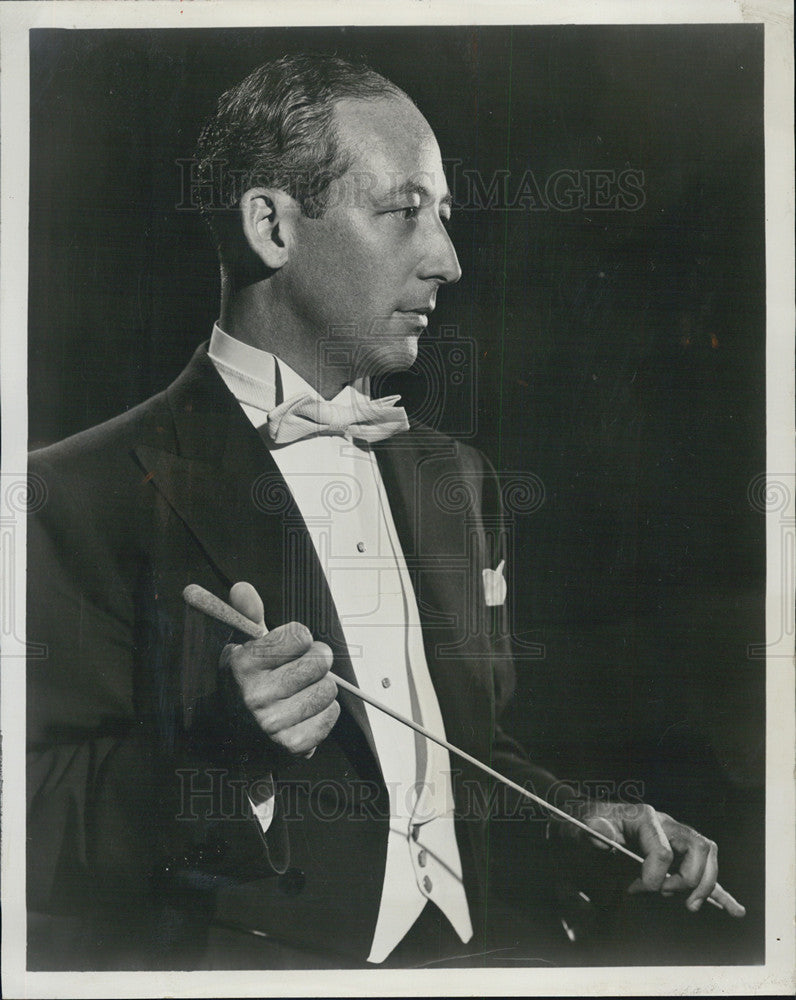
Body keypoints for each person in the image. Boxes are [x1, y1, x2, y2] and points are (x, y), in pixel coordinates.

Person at [26, 53, 744, 971]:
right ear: (272, 226)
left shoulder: (459, 479)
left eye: (442, 218)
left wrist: (582, 822)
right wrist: (225, 755)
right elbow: (31, 822)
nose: (447, 260)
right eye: (404, 212)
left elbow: (459, 758)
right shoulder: (69, 496)